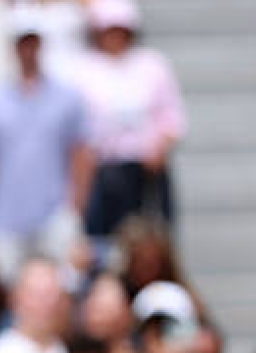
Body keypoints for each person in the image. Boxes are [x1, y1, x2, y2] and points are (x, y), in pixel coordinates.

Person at [0, 6, 93, 285]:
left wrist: (74, 209)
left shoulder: (67, 97)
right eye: (22, 41)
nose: (28, 48)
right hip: (4, 216)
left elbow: (80, 156)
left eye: (32, 40)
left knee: (62, 288)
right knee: (8, 289)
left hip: (54, 213)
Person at [75, 0, 186, 243]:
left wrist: (159, 146)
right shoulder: (84, 69)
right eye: (108, 29)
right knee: (103, 243)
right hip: (103, 171)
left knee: (149, 241)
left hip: (144, 172)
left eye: (120, 29)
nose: (114, 37)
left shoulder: (152, 65)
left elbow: (172, 116)